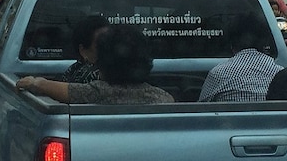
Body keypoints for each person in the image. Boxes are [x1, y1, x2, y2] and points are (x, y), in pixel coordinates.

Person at [16, 24, 174, 104]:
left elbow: (63, 90)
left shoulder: (98, 92)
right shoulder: (163, 98)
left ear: (103, 63)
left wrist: (34, 82)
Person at [198, 10, 284, 102]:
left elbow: (201, 110)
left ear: (231, 43)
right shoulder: (280, 74)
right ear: (265, 42)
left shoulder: (218, 74)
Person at [60, 14, 110, 83]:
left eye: (111, 40)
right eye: (101, 44)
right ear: (83, 51)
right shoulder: (95, 76)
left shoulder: (72, 70)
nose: (109, 47)